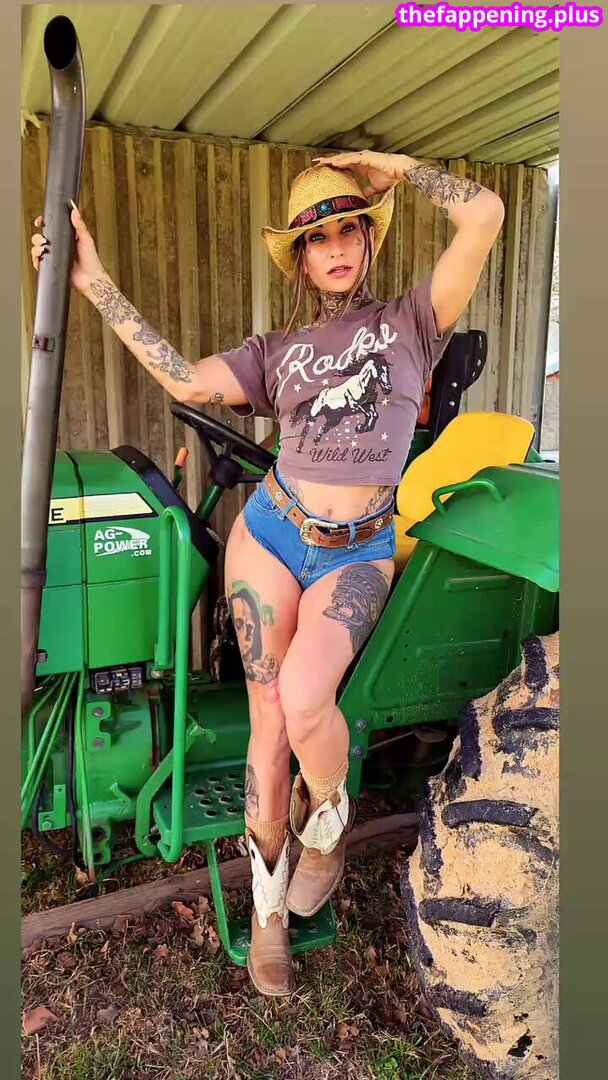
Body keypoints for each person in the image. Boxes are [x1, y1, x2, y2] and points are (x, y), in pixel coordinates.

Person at [31, 148, 504, 997]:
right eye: (317, 237)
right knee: (268, 725)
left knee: (308, 697)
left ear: (367, 237)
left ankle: (326, 828)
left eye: (349, 228)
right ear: (299, 258)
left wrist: (390, 166)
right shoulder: (275, 350)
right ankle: (268, 911)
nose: (336, 246)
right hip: (272, 534)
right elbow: (184, 378)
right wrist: (92, 281)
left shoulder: (414, 320)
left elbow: (485, 214)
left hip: (355, 548)